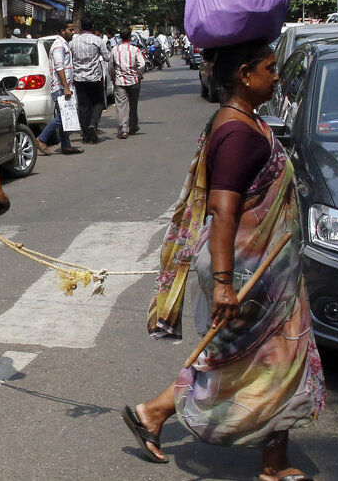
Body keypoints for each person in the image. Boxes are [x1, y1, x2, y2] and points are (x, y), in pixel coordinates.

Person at [121, 39, 324, 481]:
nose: (277, 76)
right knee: (263, 362)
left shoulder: (247, 121)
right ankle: (158, 413)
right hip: (245, 271)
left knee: (261, 360)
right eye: (270, 68)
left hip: (266, 270)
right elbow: (223, 209)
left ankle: (159, 415)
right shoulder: (236, 132)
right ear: (245, 75)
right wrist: (226, 283)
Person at [36, 21, 82, 155]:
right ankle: (41, 139)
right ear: (62, 31)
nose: (72, 32)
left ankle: (66, 145)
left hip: (65, 85)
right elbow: (59, 67)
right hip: (61, 86)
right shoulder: (59, 46)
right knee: (63, 116)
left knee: (65, 115)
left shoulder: (64, 44)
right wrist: (66, 87)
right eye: (70, 30)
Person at [70, 15, 110, 143]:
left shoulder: (73, 42)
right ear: (92, 27)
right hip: (94, 78)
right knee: (99, 103)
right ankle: (93, 124)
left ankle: (86, 135)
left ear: (81, 26)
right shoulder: (98, 41)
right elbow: (107, 57)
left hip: (79, 79)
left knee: (83, 106)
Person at [109, 26, 146, 140]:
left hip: (120, 81)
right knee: (133, 105)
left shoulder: (115, 50)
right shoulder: (135, 50)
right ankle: (133, 127)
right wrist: (138, 75)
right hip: (134, 81)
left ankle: (123, 130)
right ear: (130, 37)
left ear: (120, 37)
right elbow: (142, 64)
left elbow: (111, 67)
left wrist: (113, 77)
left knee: (121, 106)